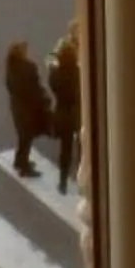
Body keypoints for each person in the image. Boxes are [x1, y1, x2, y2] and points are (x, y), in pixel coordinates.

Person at [5, 37, 54, 179]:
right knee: (26, 138)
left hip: (17, 108)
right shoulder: (28, 68)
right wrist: (45, 100)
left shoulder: (10, 68)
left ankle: (19, 161)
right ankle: (24, 167)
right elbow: (35, 89)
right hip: (29, 110)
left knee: (23, 137)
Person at [48, 27, 82, 197]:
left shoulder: (55, 75)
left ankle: (63, 181)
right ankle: (82, 176)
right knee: (81, 145)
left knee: (66, 149)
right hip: (77, 112)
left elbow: (51, 69)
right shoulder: (77, 74)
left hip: (62, 113)